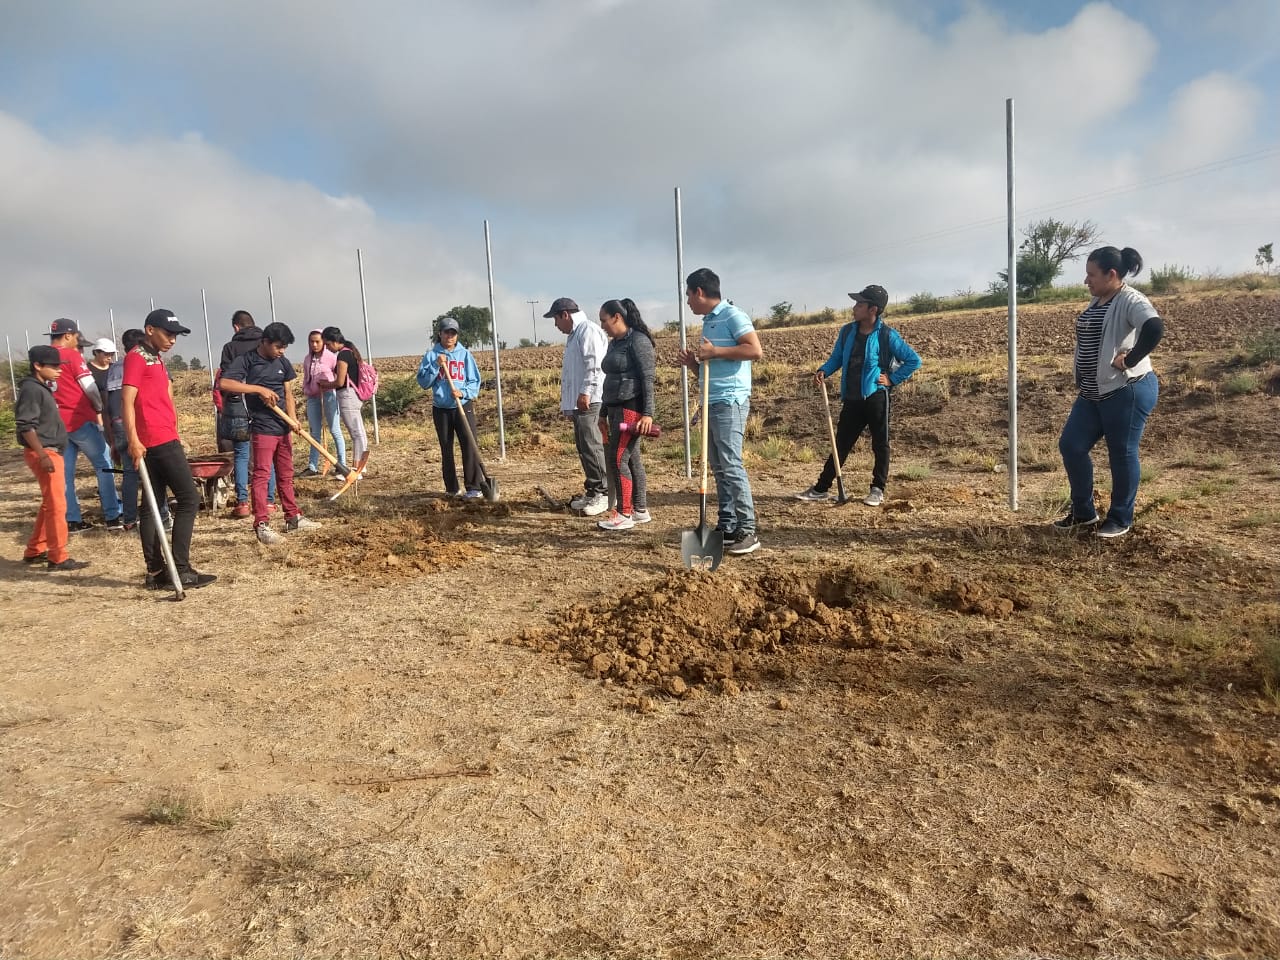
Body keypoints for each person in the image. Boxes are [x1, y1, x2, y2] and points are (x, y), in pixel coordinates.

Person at [1055, 245, 1164, 539]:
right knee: (1071, 446)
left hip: (1126, 390)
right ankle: (1084, 514)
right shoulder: (1099, 300)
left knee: (1121, 453)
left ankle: (1120, 519)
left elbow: (1154, 327)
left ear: (1111, 274)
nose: (1086, 280)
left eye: (1091, 274)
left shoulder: (1130, 299)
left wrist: (1130, 360)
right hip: (1093, 393)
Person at [796, 284, 921, 506]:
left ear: (873, 309)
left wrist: (892, 379)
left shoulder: (887, 335)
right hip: (852, 398)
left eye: (859, 304)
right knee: (841, 443)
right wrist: (823, 370)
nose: (854, 307)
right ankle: (821, 488)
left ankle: (877, 489)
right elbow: (837, 357)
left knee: (880, 444)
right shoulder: (847, 331)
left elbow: (913, 360)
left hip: (876, 397)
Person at [122, 309, 216, 590]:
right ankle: (182, 569)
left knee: (152, 505)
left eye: (176, 335)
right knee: (188, 499)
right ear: (150, 330)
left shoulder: (156, 359)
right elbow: (127, 401)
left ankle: (156, 572)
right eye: (168, 333)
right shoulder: (137, 358)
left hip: (161, 436)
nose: (173, 339)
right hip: (157, 440)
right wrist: (133, 439)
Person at [676, 268, 764, 556]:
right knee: (717, 465)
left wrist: (716, 353)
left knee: (730, 463)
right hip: (711, 399)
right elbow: (710, 365)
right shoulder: (709, 322)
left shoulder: (732, 315)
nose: (688, 301)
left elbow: (754, 350)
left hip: (730, 401)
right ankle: (727, 524)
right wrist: (695, 364)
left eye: (688, 295)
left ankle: (747, 529)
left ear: (699, 291)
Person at [220, 322, 323, 545]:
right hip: (262, 426)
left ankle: (293, 517)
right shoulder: (247, 360)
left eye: (285, 347)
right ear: (265, 342)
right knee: (262, 474)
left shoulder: (282, 362)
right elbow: (225, 382)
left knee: (286, 474)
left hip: (283, 425)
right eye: (278, 346)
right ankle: (262, 525)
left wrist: (293, 418)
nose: (282, 351)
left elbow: (288, 393)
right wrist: (258, 389)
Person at [15, 346, 90, 571]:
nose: (59, 370)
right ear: (38, 366)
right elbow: (25, 426)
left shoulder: (40, 388)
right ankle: (58, 557)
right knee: (58, 505)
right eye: (54, 366)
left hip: (49, 451)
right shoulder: (32, 390)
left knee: (50, 503)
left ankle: (35, 549)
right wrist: (42, 455)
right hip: (45, 452)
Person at [47, 318, 123, 531]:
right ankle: (113, 515)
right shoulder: (71, 356)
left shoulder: (43, 357)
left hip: (56, 424)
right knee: (104, 465)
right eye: (77, 338)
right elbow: (89, 387)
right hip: (79, 419)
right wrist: (99, 408)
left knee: (65, 473)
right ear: (68, 335)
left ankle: (72, 519)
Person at [597, 298, 657, 531]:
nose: (602, 325)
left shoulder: (638, 341)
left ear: (617, 317)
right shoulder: (615, 343)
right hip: (614, 407)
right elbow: (609, 381)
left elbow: (647, 379)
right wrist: (602, 413)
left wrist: (648, 413)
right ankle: (640, 509)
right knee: (631, 458)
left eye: (604, 320)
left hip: (630, 407)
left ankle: (624, 513)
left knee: (617, 458)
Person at [548, 297, 610, 516]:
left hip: (590, 400)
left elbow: (595, 366)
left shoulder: (588, 331)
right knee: (583, 447)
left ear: (565, 315)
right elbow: (571, 374)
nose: (555, 325)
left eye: (555, 319)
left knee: (591, 445)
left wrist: (585, 392)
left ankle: (603, 493)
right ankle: (593, 491)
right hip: (580, 401)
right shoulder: (575, 335)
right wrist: (568, 404)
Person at [216, 309, 275, 517]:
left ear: (236, 327)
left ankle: (242, 502)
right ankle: (268, 501)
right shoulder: (267, 344)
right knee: (266, 453)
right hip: (265, 402)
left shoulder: (230, 348)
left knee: (241, 454)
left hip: (238, 403)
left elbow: (226, 378)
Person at [416, 318, 483, 497]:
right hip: (441, 409)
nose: (449, 336)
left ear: (457, 335)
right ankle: (452, 488)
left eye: (453, 333)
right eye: (446, 332)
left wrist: (463, 393)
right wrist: (435, 366)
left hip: (462, 406)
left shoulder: (465, 355)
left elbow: (475, 380)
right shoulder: (431, 355)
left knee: (469, 444)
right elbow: (423, 382)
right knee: (446, 447)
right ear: (440, 334)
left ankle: (474, 487)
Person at [106, 329, 150, 530]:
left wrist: (114, 437)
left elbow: (110, 403)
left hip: (118, 424)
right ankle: (162, 516)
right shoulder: (144, 361)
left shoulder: (114, 368)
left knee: (130, 475)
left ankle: (130, 520)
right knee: (154, 472)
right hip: (138, 424)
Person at [320, 326, 370, 479]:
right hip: (354, 395)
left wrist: (324, 384)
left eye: (328, 344)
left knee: (356, 433)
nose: (328, 348)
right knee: (359, 431)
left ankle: (355, 470)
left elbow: (339, 381)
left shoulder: (343, 355)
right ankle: (361, 465)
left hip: (347, 396)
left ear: (334, 341)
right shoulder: (351, 351)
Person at [299, 328, 347, 478]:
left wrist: (327, 384)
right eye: (311, 341)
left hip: (328, 396)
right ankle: (312, 467)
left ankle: (342, 465)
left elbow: (340, 377)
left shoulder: (332, 357)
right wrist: (307, 389)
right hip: (313, 398)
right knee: (314, 433)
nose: (314, 344)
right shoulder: (307, 359)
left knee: (334, 430)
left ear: (323, 342)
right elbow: (306, 378)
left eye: (317, 341)